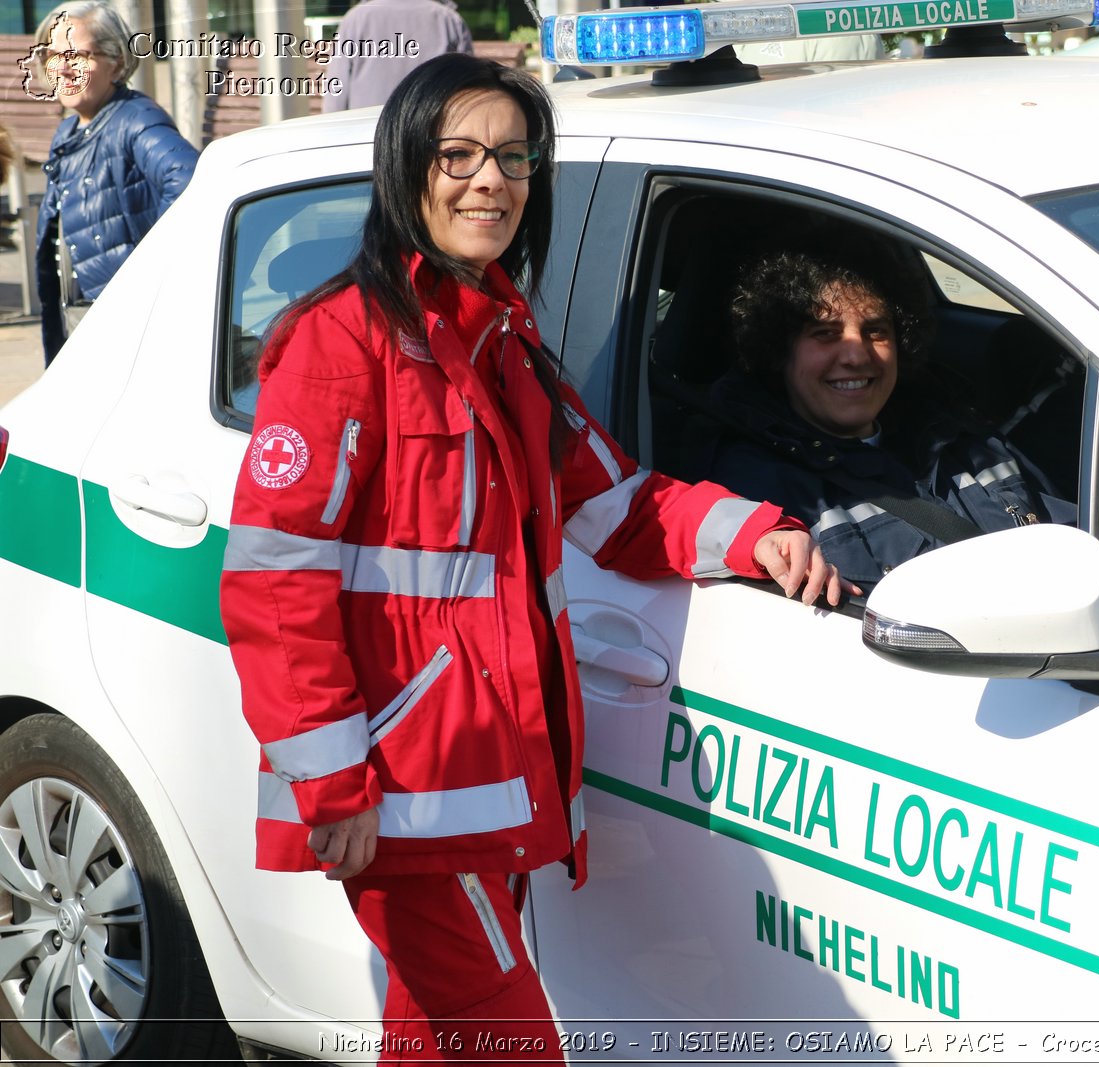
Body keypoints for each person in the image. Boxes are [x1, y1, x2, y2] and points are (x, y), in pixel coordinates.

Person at [217, 53, 848, 1062]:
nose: (490, 181)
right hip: (400, 788)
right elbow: (275, 580)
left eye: (513, 158)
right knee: (510, 1043)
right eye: (458, 154)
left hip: (487, 776)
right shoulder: (342, 341)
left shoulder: (503, 341)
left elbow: (618, 505)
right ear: (406, 169)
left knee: (434, 1038)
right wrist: (329, 782)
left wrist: (752, 533)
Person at [700, 229, 1073, 592]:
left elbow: (1073, 544)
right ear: (780, 350)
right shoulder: (756, 494)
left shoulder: (966, 441)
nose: (856, 355)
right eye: (826, 333)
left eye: (875, 331)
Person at [32, 1, 197, 365]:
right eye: (53, 55)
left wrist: (145, 270)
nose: (64, 68)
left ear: (117, 62)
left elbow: (191, 181)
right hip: (86, 324)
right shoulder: (69, 130)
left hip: (130, 330)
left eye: (78, 56)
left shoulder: (135, 119)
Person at [322, 0, 473, 113]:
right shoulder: (450, 21)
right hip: (429, 134)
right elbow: (468, 93)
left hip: (366, 136)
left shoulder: (355, 19)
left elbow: (336, 96)